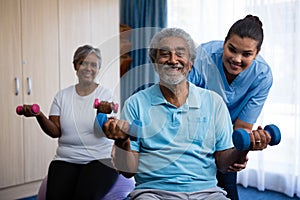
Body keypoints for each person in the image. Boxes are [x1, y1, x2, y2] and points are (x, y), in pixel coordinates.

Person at [102, 28, 271, 200]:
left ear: (191, 63)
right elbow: (127, 172)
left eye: (180, 54)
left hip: (208, 193)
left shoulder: (214, 102)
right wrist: (122, 141)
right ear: (154, 63)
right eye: (165, 54)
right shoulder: (135, 104)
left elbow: (223, 163)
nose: (173, 60)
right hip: (153, 193)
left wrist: (246, 147)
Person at [20, 44, 134, 200]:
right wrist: (39, 114)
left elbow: (101, 132)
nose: (88, 68)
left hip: (100, 158)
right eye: (83, 63)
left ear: (98, 69)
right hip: (66, 158)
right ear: (75, 66)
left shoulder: (105, 94)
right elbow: (55, 132)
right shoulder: (62, 96)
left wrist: (101, 112)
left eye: (93, 64)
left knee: (83, 196)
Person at [188, 15, 273, 200]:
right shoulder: (204, 56)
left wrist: (237, 154)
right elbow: (182, 102)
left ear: (257, 53)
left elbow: (242, 128)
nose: (236, 59)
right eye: (231, 49)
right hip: (193, 130)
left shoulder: (262, 76)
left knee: (227, 186)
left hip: (227, 135)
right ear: (224, 43)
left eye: (247, 54)